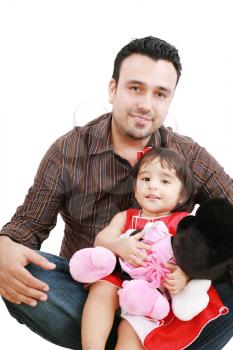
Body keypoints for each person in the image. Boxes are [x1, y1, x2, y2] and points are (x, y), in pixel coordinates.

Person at [0, 36, 233, 349]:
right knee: (19, 267)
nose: (146, 104)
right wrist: (4, 250)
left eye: (160, 93)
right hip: (88, 294)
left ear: (169, 100)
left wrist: (191, 274)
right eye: (135, 88)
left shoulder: (187, 156)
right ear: (113, 89)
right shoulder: (68, 151)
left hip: (164, 298)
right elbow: (25, 230)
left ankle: (146, 335)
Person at [71, 147, 225, 350]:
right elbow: (102, 239)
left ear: (182, 195)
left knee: (133, 327)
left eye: (165, 181)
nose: (153, 186)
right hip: (120, 278)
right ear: (135, 188)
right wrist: (119, 245)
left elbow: (202, 258)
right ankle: (92, 346)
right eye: (145, 179)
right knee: (102, 288)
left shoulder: (184, 222)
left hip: (153, 293)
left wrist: (185, 275)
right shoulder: (126, 217)